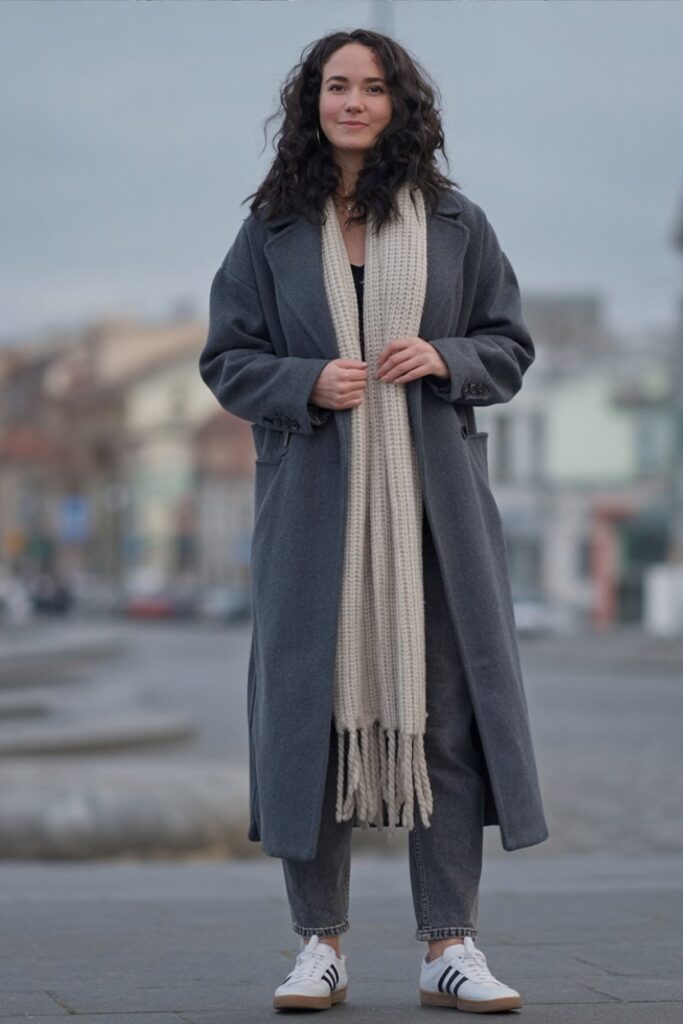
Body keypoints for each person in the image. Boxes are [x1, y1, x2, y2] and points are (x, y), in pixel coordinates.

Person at [199, 27, 549, 1014]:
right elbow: (226, 360)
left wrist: (445, 358)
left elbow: (508, 344)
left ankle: (449, 943)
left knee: (442, 719)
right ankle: (319, 944)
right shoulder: (268, 230)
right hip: (311, 512)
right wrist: (305, 379)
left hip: (432, 515)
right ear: (310, 101)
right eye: (334, 85)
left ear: (400, 103)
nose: (351, 101)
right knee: (307, 721)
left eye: (370, 87)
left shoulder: (454, 222)